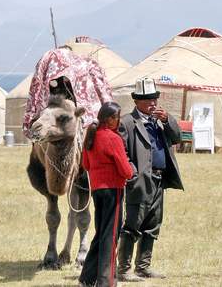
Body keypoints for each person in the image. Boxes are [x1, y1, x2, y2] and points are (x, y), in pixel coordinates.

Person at [117, 78, 184, 282]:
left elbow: (177, 137)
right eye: (147, 99)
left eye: (154, 98)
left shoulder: (158, 121)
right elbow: (123, 153)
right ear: (136, 101)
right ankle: (124, 269)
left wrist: (167, 120)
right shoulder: (127, 122)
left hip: (159, 180)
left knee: (153, 225)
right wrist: (133, 174)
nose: (152, 103)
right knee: (132, 225)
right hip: (139, 181)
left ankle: (143, 267)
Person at [79, 102, 133, 287]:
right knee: (110, 236)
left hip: (97, 190)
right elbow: (126, 170)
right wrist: (131, 171)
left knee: (101, 233)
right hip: (113, 190)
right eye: (117, 117)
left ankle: (87, 278)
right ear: (109, 119)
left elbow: (85, 164)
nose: (119, 121)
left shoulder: (91, 136)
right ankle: (106, 281)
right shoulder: (112, 138)